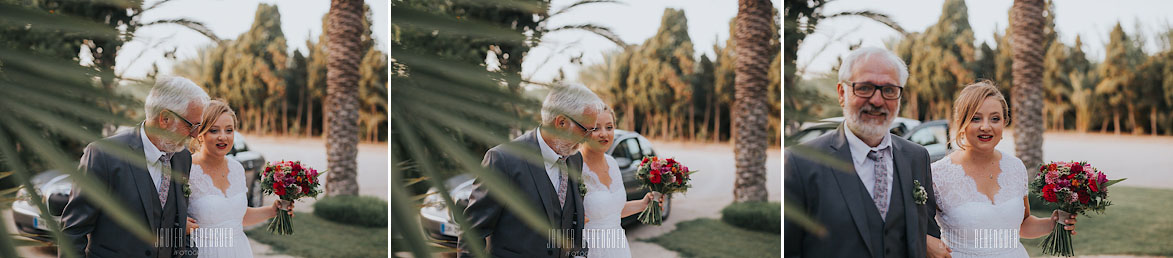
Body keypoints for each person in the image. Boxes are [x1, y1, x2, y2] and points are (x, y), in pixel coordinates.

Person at [784, 47, 941, 258]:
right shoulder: (799, 162)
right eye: (865, 88)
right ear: (842, 93)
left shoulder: (916, 157)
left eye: (889, 90)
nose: (877, 100)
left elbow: (927, 233)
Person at [60, 77, 208, 258]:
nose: (195, 134)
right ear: (165, 119)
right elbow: (73, 233)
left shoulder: (183, 157)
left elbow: (177, 222)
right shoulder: (103, 155)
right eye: (191, 125)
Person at [927, 81, 1077, 258]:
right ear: (961, 122)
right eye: (976, 118)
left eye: (995, 118)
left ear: (1004, 122)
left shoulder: (1015, 167)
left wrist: (1052, 223)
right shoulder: (937, 174)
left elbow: (1022, 224)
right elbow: (910, 227)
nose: (986, 126)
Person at [458, 83, 603, 258]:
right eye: (586, 130)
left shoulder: (575, 159)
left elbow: (572, 222)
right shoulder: (502, 160)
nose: (588, 138)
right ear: (561, 122)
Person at [184, 100, 294, 257]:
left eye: (229, 130)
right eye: (214, 130)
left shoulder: (236, 168)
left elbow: (237, 217)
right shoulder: (185, 169)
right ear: (200, 134)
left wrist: (273, 210)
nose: (223, 137)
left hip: (239, 250)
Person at [577, 107, 664, 258]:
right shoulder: (573, 167)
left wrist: (643, 204)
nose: (604, 133)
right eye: (596, 128)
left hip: (618, 248)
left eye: (609, 127)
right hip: (590, 251)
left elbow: (613, 211)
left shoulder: (612, 163)